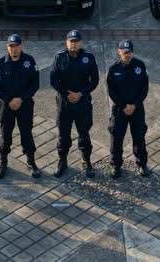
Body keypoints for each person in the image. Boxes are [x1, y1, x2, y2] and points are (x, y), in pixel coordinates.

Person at [0, 33, 41, 179]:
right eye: (11, 46)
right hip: (6, 106)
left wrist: (21, 99)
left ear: (21, 46)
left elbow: (35, 84)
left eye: (16, 46)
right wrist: (9, 100)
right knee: (5, 134)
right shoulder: (1, 63)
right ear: (7, 47)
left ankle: (31, 162)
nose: (14, 49)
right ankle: (3, 162)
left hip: (24, 105)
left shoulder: (29, 61)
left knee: (26, 133)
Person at [50, 29, 99, 178]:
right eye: (71, 41)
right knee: (63, 136)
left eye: (76, 41)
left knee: (84, 134)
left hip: (82, 102)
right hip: (64, 103)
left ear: (80, 43)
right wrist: (67, 94)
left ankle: (86, 162)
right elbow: (53, 80)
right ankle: (62, 161)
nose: (74, 44)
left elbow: (95, 80)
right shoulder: (59, 57)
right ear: (66, 42)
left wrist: (80, 93)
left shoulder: (88, 58)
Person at [106, 39, 150, 179]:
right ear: (119, 52)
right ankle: (115, 165)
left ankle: (142, 164)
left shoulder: (140, 66)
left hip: (136, 108)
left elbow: (145, 88)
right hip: (120, 109)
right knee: (116, 138)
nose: (127, 54)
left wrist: (135, 105)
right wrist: (123, 106)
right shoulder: (113, 69)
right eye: (124, 52)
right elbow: (111, 91)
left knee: (139, 137)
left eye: (129, 52)